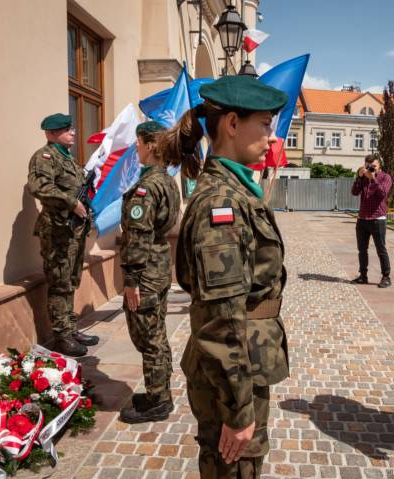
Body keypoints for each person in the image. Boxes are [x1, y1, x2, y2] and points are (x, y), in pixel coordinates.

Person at [161, 76, 290, 478]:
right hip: (235, 374)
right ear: (232, 123)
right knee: (234, 468)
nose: (271, 137)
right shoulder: (223, 203)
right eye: (266, 124)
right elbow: (222, 319)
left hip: (244, 363)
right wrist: (237, 410)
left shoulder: (235, 190)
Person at [118, 120, 181, 424]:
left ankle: (158, 399)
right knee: (156, 331)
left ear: (151, 145)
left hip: (145, 272)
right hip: (159, 266)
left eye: (139, 142)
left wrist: (131, 281)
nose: (136, 147)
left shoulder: (148, 187)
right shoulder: (168, 181)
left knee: (148, 336)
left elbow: (138, 236)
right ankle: (160, 391)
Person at [28, 113, 98, 357]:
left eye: (71, 128)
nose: (73, 132)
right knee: (59, 283)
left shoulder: (69, 159)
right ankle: (62, 337)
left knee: (70, 281)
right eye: (66, 129)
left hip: (72, 231)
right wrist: (71, 203)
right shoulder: (45, 157)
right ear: (51, 133)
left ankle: (70, 328)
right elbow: (40, 187)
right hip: (57, 230)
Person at [350, 153, 393, 288]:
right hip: (362, 218)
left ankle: (386, 277)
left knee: (381, 249)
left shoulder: (385, 177)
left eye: (373, 166)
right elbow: (354, 192)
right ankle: (363, 276)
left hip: (377, 219)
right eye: (368, 166)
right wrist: (359, 177)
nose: (371, 169)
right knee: (362, 250)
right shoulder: (363, 178)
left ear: (379, 165)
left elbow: (382, 194)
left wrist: (373, 179)